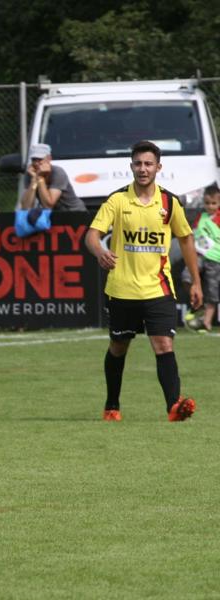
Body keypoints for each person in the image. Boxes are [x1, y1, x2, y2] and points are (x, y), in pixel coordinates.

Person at [85, 140, 200, 422]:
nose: (143, 169)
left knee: (163, 345)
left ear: (158, 167)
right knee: (118, 347)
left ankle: (174, 407)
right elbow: (91, 235)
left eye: (148, 164)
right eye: (138, 164)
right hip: (122, 289)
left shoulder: (169, 203)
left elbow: (186, 239)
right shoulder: (118, 200)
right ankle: (112, 405)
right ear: (131, 166)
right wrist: (100, 251)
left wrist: (196, 281)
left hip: (157, 287)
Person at [186, 185, 220, 331]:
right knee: (186, 276)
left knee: (212, 290)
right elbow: (193, 233)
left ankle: (206, 322)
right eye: (207, 203)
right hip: (199, 256)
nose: (210, 206)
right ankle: (197, 303)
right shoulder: (201, 216)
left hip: (216, 259)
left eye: (214, 203)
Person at [20, 143, 86, 212]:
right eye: (34, 159)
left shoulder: (58, 172)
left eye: (40, 159)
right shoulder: (31, 174)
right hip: (53, 215)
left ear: (49, 159)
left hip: (74, 212)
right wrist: (34, 180)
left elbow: (48, 205)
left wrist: (40, 178)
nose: (36, 163)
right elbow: (25, 207)